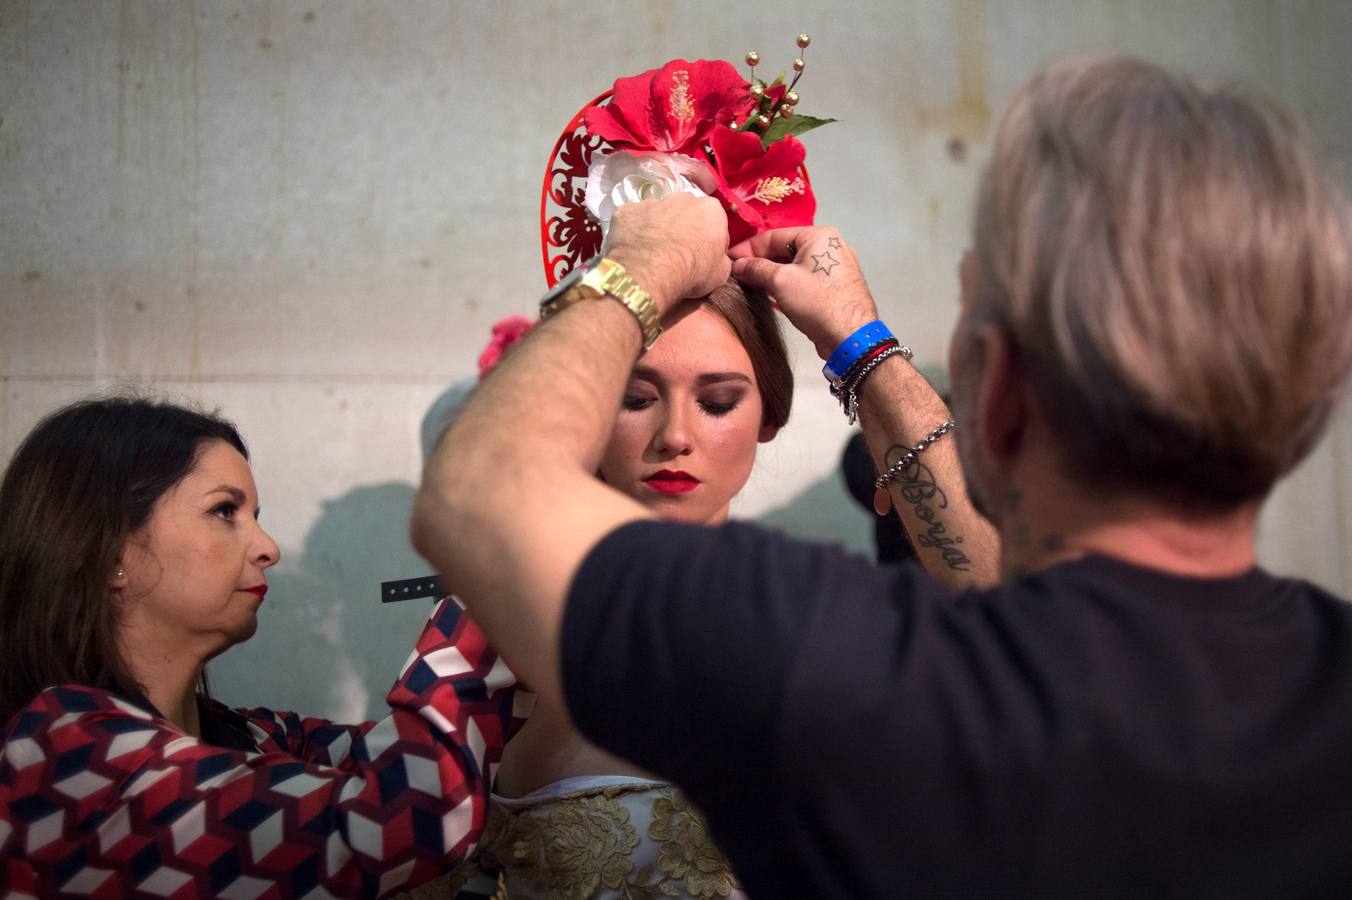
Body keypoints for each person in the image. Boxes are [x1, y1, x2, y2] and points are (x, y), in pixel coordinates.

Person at [413, 54, 1352, 897]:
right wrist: (865, 348)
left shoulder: (834, 661)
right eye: (636, 394)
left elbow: (477, 492)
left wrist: (643, 266)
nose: (675, 436)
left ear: (1001, 393)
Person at [0, 397, 523, 897]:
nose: (268, 547)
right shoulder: (62, 760)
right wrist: (492, 589)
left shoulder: (253, 736)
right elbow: (404, 817)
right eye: (225, 511)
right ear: (110, 550)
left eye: (254, 515)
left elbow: (421, 766)